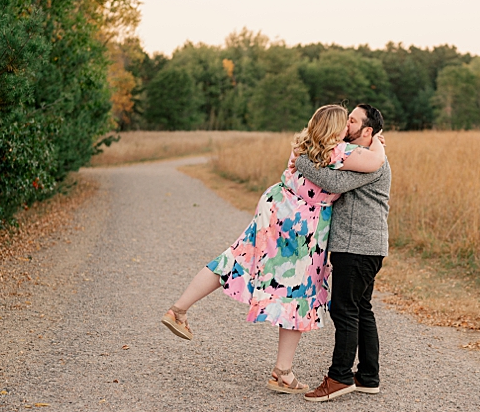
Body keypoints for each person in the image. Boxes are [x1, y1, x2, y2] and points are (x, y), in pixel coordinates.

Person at [159, 104, 385, 394]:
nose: (348, 128)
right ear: (334, 129)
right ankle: (282, 372)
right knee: (298, 291)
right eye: (345, 123)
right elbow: (376, 163)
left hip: (276, 206)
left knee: (237, 257)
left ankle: (179, 309)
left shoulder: (305, 145)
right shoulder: (339, 152)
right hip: (303, 222)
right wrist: (377, 141)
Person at [290, 103, 392, 402]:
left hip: (357, 246)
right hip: (365, 246)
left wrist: (302, 160)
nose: (346, 125)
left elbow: (333, 182)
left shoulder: (372, 164)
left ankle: (340, 377)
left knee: (344, 309)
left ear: (367, 131)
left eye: (352, 121)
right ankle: (368, 376)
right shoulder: (361, 157)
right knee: (361, 308)